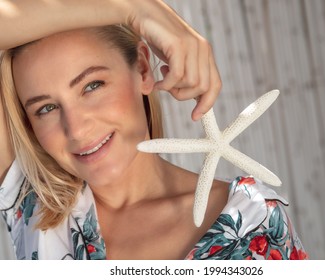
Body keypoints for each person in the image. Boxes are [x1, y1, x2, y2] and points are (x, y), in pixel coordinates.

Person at [0, 1, 307, 260]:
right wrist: (136, 7)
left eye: (92, 86)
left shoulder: (255, 224)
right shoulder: (35, 210)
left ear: (143, 70)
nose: (77, 129)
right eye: (46, 108)